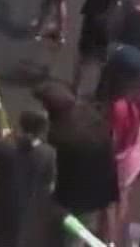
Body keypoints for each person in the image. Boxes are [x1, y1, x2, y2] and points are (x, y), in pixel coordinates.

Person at [37, 80, 118, 241]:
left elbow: (54, 171)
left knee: (72, 236)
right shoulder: (90, 115)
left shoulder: (60, 135)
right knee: (98, 222)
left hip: (77, 198)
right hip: (104, 181)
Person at [99, 44, 140, 232]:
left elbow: (114, 141)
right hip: (135, 154)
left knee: (108, 206)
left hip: (120, 161)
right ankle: (109, 235)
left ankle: (107, 239)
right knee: (122, 197)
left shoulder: (119, 107)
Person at [0, 109, 57, 247]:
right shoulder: (48, 154)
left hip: (0, 205)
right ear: (41, 131)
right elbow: (49, 184)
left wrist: (5, 140)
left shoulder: (5, 147)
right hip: (28, 214)